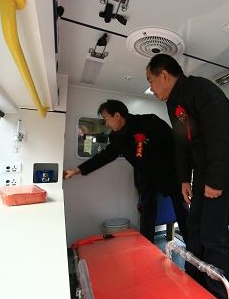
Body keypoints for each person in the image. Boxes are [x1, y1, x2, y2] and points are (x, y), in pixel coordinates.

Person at [146, 54, 229, 299]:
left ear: (164, 75)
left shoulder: (202, 90)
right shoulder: (173, 103)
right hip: (206, 170)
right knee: (193, 227)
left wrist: (215, 181)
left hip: (228, 169)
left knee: (213, 234)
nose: (151, 87)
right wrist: (184, 179)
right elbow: (182, 144)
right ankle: (193, 285)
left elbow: (220, 136)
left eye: (150, 80)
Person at [63, 100, 188, 244]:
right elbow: (104, 156)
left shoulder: (149, 122)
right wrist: (77, 170)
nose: (106, 124)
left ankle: (193, 248)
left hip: (170, 173)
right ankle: (146, 247)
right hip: (146, 177)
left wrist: (183, 172)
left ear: (117, 115)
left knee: (182, 211)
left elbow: (176, 144)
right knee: (147, 214)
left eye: (106, 119)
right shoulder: (116, 137)